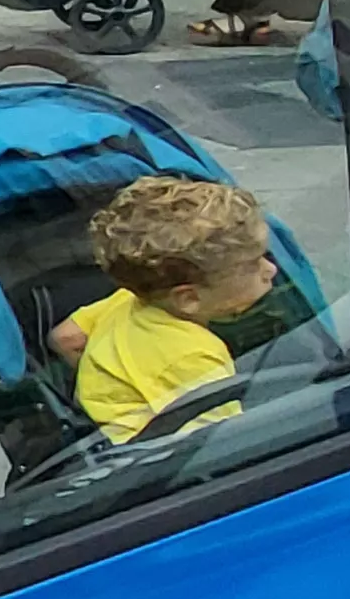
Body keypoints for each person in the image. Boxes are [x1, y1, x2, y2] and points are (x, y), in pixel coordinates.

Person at [57, 175, 269, 440]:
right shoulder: (192, 355)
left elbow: (66, 337)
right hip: (148, 460)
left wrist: (105, 382)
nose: (270, 270)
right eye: (253, 264)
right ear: (189, 299)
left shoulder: (128, 299)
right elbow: (225, 440)